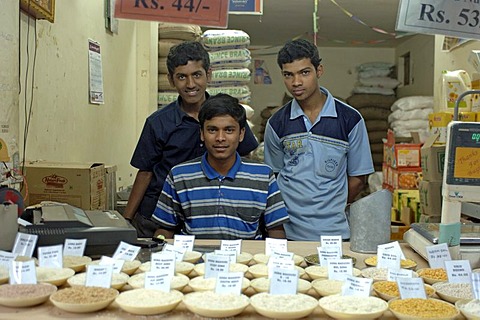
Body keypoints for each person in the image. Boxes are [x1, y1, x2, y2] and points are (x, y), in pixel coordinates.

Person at [124, 41, 258, 238]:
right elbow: (145, 173)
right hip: (158, 215)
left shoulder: (228, 114)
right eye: (181, 77)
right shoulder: (158, 123)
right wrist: (127, 220)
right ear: (171, 80)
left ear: (209, 74)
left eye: (197, 75)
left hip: (205, 214)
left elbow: (245, 160)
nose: (190, 84)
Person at [263, 39, 374, 240]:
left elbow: (358, 179)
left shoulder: (349, 119)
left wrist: (331, 208)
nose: (296, 82)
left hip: (335, 233)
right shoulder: (277, 123)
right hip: (289, 232)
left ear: (319, 70)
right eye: (289, 75)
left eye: (304, 72)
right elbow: (275, 179)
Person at [152, 93, 289, 240]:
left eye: (229, 130)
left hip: (246, 261)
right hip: (195, 260)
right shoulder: (179, 175)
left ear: (241, 134)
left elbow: (276, 230)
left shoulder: (262, 175)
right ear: (202, 134)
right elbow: (165, 229)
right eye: (212, 130)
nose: (220, 138)